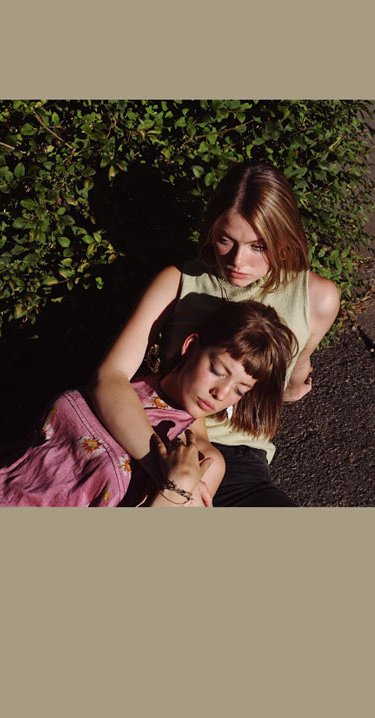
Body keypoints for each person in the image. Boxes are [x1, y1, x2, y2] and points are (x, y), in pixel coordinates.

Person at [90, 161, 340, 506]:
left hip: (241, 458)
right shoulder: (178, 281)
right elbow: (110, 377)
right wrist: (168, 473)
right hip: (159, 434)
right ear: (211, 230)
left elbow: (296, 369)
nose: (238, 261)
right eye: (226, 240)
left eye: (258, 246)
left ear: (284, 240)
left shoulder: (317, 298)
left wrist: (294, 383)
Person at [0, 300, 296, 508]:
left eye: (239, 389)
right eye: (217, 370)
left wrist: (176, 488)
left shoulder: (201, 460)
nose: (220, 394)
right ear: (191, 346)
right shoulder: (123, 384)